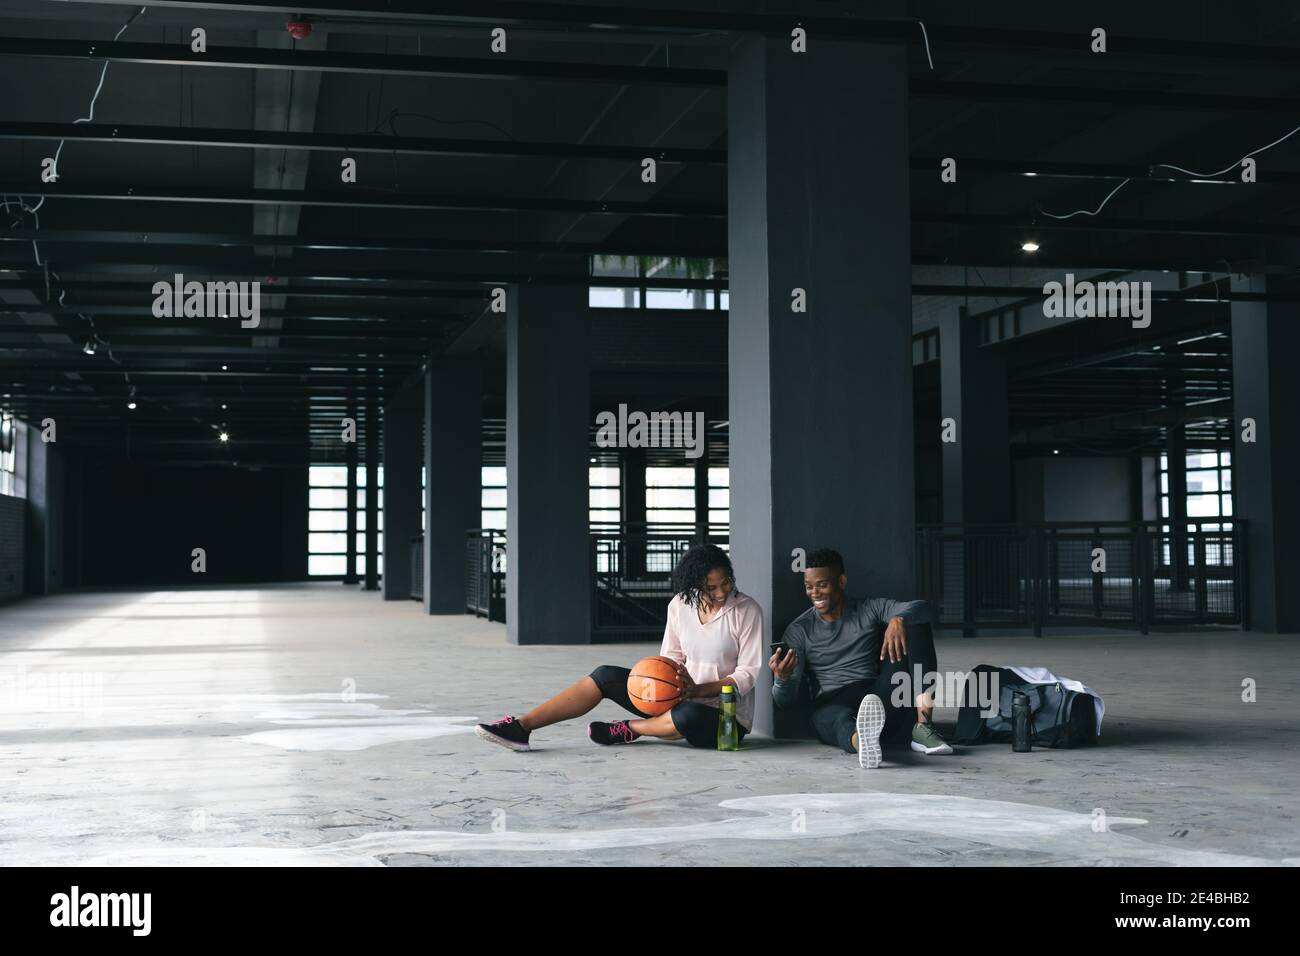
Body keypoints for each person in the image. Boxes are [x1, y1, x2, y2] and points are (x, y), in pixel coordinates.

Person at [475, 543, 762, 751]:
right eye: (712, 588)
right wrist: (661, 681)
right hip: (679, 700)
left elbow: (747, 674)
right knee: (605, 675)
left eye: (726, 583)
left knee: (687, 715)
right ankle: (522, 727)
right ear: (694, 586)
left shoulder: (746, 610)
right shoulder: (679, 606)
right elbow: (671, 658)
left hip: (722, 717)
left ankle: (629, 729)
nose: (722, 592)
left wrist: (697, 690)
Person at [770, 548, 952, 768]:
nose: (815, 593)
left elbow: (925, 609)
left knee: (915, 623)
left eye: (822, 585)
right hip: (832, 703)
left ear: (842, 581)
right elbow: (784, 702)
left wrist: (899, 618)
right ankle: (863, 742)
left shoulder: (869, 609)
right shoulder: (799, 630)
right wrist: (781, 680)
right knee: (833, 718)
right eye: (809, 587)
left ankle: (923, 726)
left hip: (877, 696)